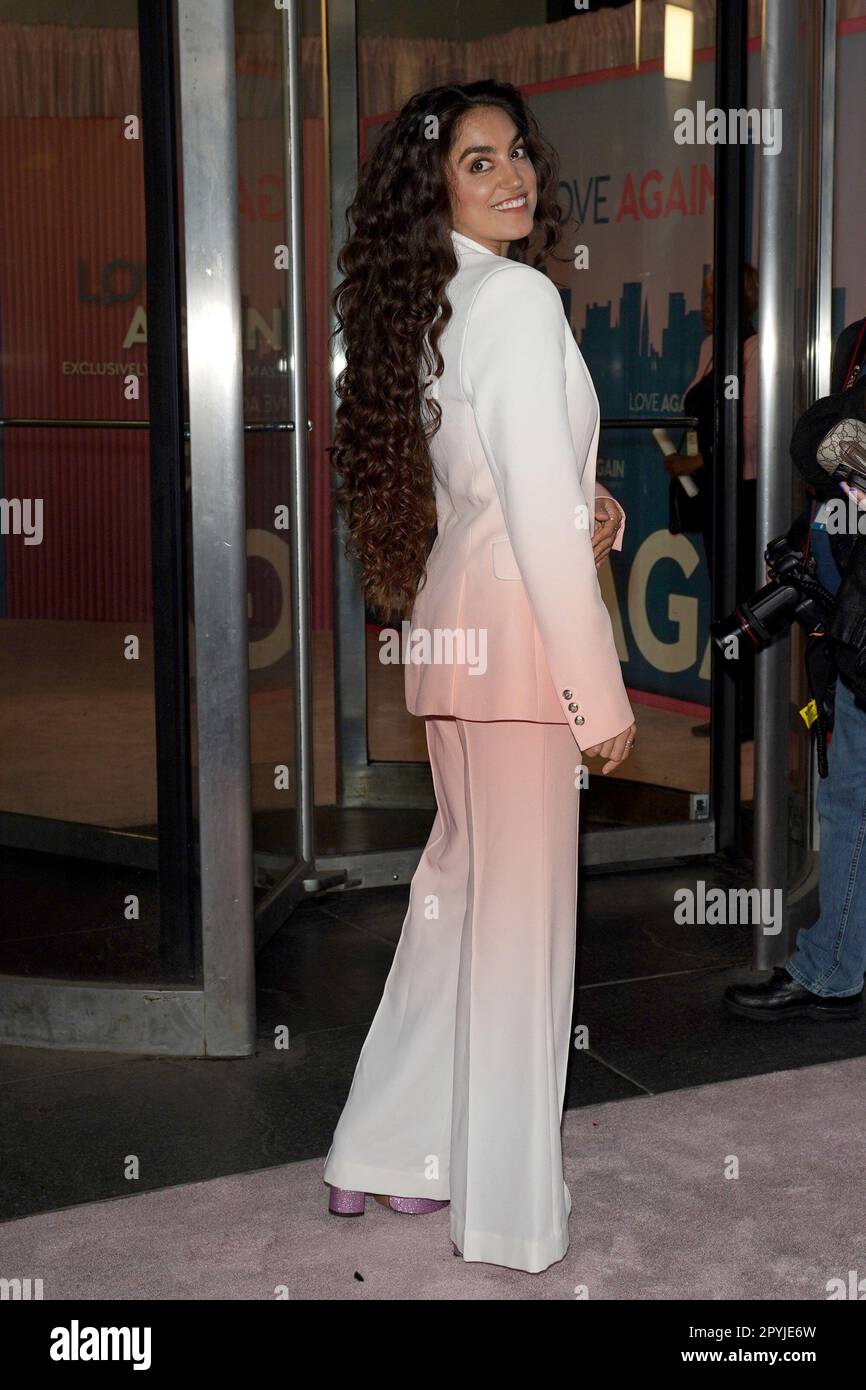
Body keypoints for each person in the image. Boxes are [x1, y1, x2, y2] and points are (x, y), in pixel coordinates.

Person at [321, 79, 636, 1273]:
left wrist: (586, 506)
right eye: (477, 161)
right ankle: (505, 1215)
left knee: (450, 915)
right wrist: (595, 697)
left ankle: (385, 1150)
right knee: (518, 939)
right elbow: (536, 524)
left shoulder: (432, 302)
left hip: (455, 645)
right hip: (516, 664)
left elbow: (499, 492)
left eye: (516, 155)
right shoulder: (512, 299)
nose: (513, 178)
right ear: (435, 185)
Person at [724, 314, 866, 1021]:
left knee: (851, 804)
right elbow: (822, 457)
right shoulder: (859, 339)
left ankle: (833, 965)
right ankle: (834, 963)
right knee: (850, 803)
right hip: (853, 633)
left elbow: (831, 445)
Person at [665, 267, 759, 738]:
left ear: (739, 300)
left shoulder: (755, 351)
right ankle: (727, 710)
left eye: (713, 295)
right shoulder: (710, 349)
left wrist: (696, 461)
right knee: (720, 598)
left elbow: (754, 432)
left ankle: (748, 714)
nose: (704, 304)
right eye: (703, 295)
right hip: (711, 497)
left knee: (740, 601)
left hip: (742, 495)